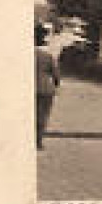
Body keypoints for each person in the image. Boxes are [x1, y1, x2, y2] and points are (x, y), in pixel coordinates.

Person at [34, 23, 60, 151]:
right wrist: (56, 85)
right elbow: (55, 74)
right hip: (45, 89)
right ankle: (38, 141)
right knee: (42, 115)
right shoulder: (48, 55)